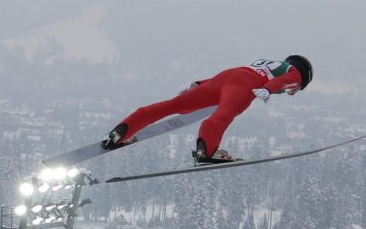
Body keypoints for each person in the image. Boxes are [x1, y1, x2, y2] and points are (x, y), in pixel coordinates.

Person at [102, 55, 313, 164]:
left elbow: (229, 79)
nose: (293, 92)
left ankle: (122, 132)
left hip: (227, 76)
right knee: (224, 114)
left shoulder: (267, 62)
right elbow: (287, 82)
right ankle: (207, 152)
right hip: (245, 83)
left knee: (173, 105)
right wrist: (268, 89)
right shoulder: (297, 75)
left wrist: (198, 84)